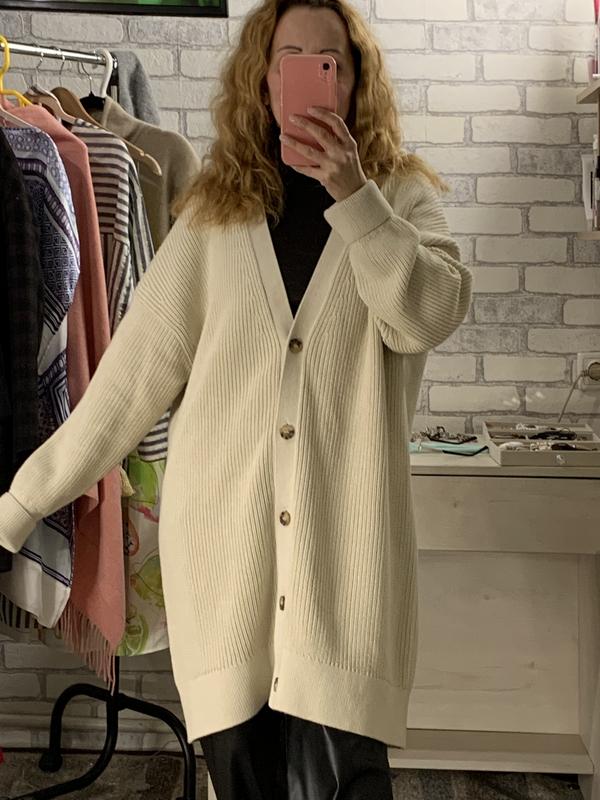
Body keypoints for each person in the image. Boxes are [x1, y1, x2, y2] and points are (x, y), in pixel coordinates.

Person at [0, 0, 472, 797]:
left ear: (355, 80)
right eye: (291, 58)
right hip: (224, 578)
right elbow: (125, 385)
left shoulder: (400, 200)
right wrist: (18, 506)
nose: (310, 77)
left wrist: (355, 196)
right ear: (264, 78)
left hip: (346, 586)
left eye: (330, 61)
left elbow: (427, 314)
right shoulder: (214, 215)